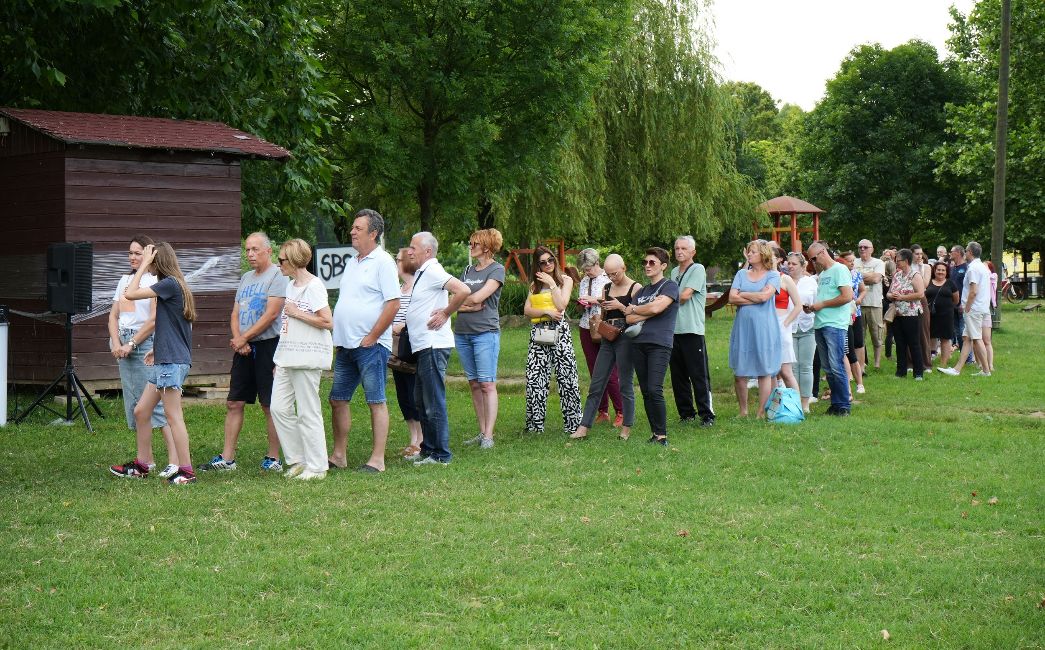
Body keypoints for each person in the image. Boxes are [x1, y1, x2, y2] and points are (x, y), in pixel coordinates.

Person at [198, 232, 287, 473]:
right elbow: (235, 313)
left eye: (255, 249)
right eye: (247, 250)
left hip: (268, 346)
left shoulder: (278, 276)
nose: (250, 254)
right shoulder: (246, 278)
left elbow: (271, 314)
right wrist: (240, 339)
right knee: (234, 402)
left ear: (269, 251)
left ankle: (274, 457)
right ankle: (227, 458)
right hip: (243, 348)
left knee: (269, 404)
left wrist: (244, 338)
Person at [109, 243, 197, 484]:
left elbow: (131, 293)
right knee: (141, 411)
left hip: (171, 363)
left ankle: (186, 471)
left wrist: (144, 265)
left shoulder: (169, 284)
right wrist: (156, 351)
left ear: (158, 262)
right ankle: (142, 464)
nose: (147, 264)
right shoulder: (172, 286)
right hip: (165, 359)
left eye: (150, 261)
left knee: (173, 415)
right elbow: (173, 326)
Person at [329, 209, 400, 472]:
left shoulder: (383, 262)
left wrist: (372, 337)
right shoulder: (352, 262)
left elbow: (393, 303)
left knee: (376, 400)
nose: (352, 231)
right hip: (346, 345)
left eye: (358, 228)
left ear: (374, 233)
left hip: (370, 346)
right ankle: (338, 455)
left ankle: (377, 460)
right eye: (353, 227)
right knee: (337, 399)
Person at [404, 232, 471, 465]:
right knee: (422, 400)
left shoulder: (433, 270)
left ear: (428, 251)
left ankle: (441, 454)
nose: (409, 251)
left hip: (433, 344)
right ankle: (428, 450)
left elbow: (462, 290)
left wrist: (445, 313)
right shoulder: (423, 272)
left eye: (413, 247)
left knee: (433, 400)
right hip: (424, 344)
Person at [270, 239, 334, 481]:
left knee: (308, 411)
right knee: (279, 407)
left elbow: (328, 322)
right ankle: (299, 459)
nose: (279, 264)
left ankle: (317, 467)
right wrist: (279, 358)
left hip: (307, 357)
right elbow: (287, 325)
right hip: (288, 355)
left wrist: (299, 313)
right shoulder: (290, 286)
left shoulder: (314, 286)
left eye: (282, 260)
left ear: (295, 260)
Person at [570, 254, 639, 441]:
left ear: (624, 268)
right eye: (608, 274)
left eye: (614, 273)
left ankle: (626, 427)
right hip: (608, 337)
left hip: (626, 338)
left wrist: (621, 306)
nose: (611, 278)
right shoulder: (607, 287)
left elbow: (639, 316)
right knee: (597, 383)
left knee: (625, 384)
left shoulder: (635, 288)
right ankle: (584, 427)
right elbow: (602, 313)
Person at [523, 246, 583, 435]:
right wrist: (545, 312)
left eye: (551, 260)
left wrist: (552, 284)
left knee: (567, 379)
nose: (548, 264)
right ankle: (534, 425)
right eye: (543, 262)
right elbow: (527, 311)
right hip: (539, 333)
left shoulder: (565, 280)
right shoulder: (534, 285)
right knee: (535, 379)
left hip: (560, 333)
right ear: (537, 265)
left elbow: (562, 304)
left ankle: (573, 424)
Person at [455, 229, 506, 449]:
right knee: (474, 384)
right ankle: (481, 430)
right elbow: (454, 298)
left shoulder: (497, 270)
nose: (470, 246)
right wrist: (468, 306)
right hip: (463, 333)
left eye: (474, 243)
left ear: (486, 246)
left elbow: (478, 297)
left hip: (485, 333)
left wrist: (463, 304)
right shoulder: (467, 270)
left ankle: (488, 436)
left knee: (487, 383)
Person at [624, 247, 679, 444]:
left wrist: (639, 309)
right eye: (645, 262)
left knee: (655, 389)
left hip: (659, 343)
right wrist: (648, 310)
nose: (647, 265)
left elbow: (656, 307)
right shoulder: (642, 291)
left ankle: (662, 435)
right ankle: (655, 433)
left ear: (663, 266)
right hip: (638, 343)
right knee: (646, 390)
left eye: (652, 263)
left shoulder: (669, 286)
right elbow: (629, 318)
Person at [728, 240, 782, 418]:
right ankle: (743, 411)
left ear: (763, 254)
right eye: (749, 252)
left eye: (753, 252)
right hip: (743, 327)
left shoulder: (773, 275)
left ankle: (761, 411)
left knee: (764, 369)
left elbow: (765, 297)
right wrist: (755, 296)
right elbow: (732, 298)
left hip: (764, 326)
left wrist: (743, 294)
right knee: (740, 370)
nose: (749, 254)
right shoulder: (741, 274)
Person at [668, 236, 715, 427]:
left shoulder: (698, 269)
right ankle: (686, 413)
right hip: (673, 330)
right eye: (677, 248)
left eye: (684, 248)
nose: (680, 251)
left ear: (692, 252)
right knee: (678, 376)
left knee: (698, 374)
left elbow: (685, 296)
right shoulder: (672, 272)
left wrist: (663, 301)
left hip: (692, 330)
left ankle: (707, 414)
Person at [575, 248, 623, 426]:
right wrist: (581, 303)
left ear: (597, 263)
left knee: (609, 371)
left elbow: (613, 302)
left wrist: (594, 300)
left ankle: (621, 411)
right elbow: (583, 304)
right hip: (586, 326)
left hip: (603, 326)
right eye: (584, 269)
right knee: (595, 372)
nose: (586, 272)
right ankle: (603, 411)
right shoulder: (584, 280)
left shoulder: (608, 279)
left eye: (588, 268)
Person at [806, 241, 854, 416]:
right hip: (821, 323)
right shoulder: (824, 273)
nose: (812, 262)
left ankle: (843, 405)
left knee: (836, 365)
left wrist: (823, 304)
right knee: (828, 368)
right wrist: (812, 307)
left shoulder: (840, 269)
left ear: (823, 252)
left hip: (835, 325)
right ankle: (836, 403)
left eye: (813, 258)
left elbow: (847, 296)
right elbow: (826, 298)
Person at [939, 242, 992, 377]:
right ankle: (957, 369)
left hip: (973, 309)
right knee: (967, 338)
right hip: (980, 307)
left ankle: (986, 371)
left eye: (967, 251)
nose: (966, 253)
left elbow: (973, 291)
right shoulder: (982, 267)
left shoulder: (973, 268)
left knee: (976, 339)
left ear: (970, 252)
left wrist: (967, 307)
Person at [390, 249, 423, 459]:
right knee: (403, 395)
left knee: (414, 393)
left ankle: (421, 440)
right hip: (394, 348)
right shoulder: (398, 288)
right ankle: (413, 438)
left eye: (398, 260)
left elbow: (421, 314)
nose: (395, 263)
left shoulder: (418, 288)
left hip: (411, 347)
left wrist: (402, 325)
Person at [887, 248, 926, 380]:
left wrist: (902, 297)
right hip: (897, 314)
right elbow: (889, 292)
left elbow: (920, 294)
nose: (897, 263)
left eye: (899, 260)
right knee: (899, 343)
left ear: (907, 261)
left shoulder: (915, 275)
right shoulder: (897, 275)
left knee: (914, 343)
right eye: (896, 260)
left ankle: (918, 373)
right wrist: (891, 295)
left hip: (912, 314)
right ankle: (901, 371)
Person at [787, 251, 818, 413]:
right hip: (788, 328)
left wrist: (810, 309)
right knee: (791, 368)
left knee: (806, 366)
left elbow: (817, 303)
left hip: (808, 327)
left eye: (793, 264)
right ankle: (793, 402)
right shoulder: (782, 281)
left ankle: (805, 403)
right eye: (788, 263)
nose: (790, 266)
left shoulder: (811, 282)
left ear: (802, 266)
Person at [770, 246, 803, 393]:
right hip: (765, 325)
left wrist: (785, 323)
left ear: (778, 259)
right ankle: (773, 406)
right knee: (769, 372)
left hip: (781, 323)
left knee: (785, 371)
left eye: (769, 256)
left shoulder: (785, 278)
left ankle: (797, 407)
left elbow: (798, 305)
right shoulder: (761, 278)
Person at [854, 239, 886, 369]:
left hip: (874, 303)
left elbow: (876, 279)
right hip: (857, 304)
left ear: (872, 249)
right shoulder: (854, 262)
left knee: (876, 334)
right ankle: (862, 363)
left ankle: (877, 363)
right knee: (859, 336)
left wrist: (857, 276)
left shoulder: (878, 262)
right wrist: (868, 276)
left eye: (865, 247)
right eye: (860, 247)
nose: (862, 249)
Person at [925, 261, 959, 368]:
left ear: (946, 272)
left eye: (943, 270)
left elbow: (956, 300)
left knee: (945, 338)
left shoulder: (950, 283)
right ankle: (928, 361)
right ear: (934, 271)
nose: (940, 272)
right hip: (930, 315)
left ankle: (943, 363)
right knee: (930, 337)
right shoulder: (928, 282)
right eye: (938, 270)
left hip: (946, 315)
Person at [841, 251, 866, 395]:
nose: (852, 263)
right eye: (849, 260)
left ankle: (859, 376)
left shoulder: (856, 274)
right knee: (846, 350)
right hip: (842, 317)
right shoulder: (840, 274)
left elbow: (862, 290)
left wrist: (859, 299)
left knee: (857, 344)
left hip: (854, 313)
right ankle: (849, 377)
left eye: (853, 260)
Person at [911, 244, 933, 370]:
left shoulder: (926, 267)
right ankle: (910, 362)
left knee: (923, 330)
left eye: (921, 253)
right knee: (910, 330)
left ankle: (926, 363)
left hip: (921, 298)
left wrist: (919, 268)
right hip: (908, 298)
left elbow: (924, 284)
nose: (919, 256)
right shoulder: (907, 266)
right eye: (917, 254)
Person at [949, 245, 969, 350]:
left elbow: (970, 288)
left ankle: (969, 358)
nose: (950, 253)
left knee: (963, 331)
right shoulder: (952, 269)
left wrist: (964, 303)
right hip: (953, 305)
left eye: (951, 251)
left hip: (963, 304)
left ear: (958, 252)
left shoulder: (966, 268)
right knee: (957, 331)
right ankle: (963, 354)